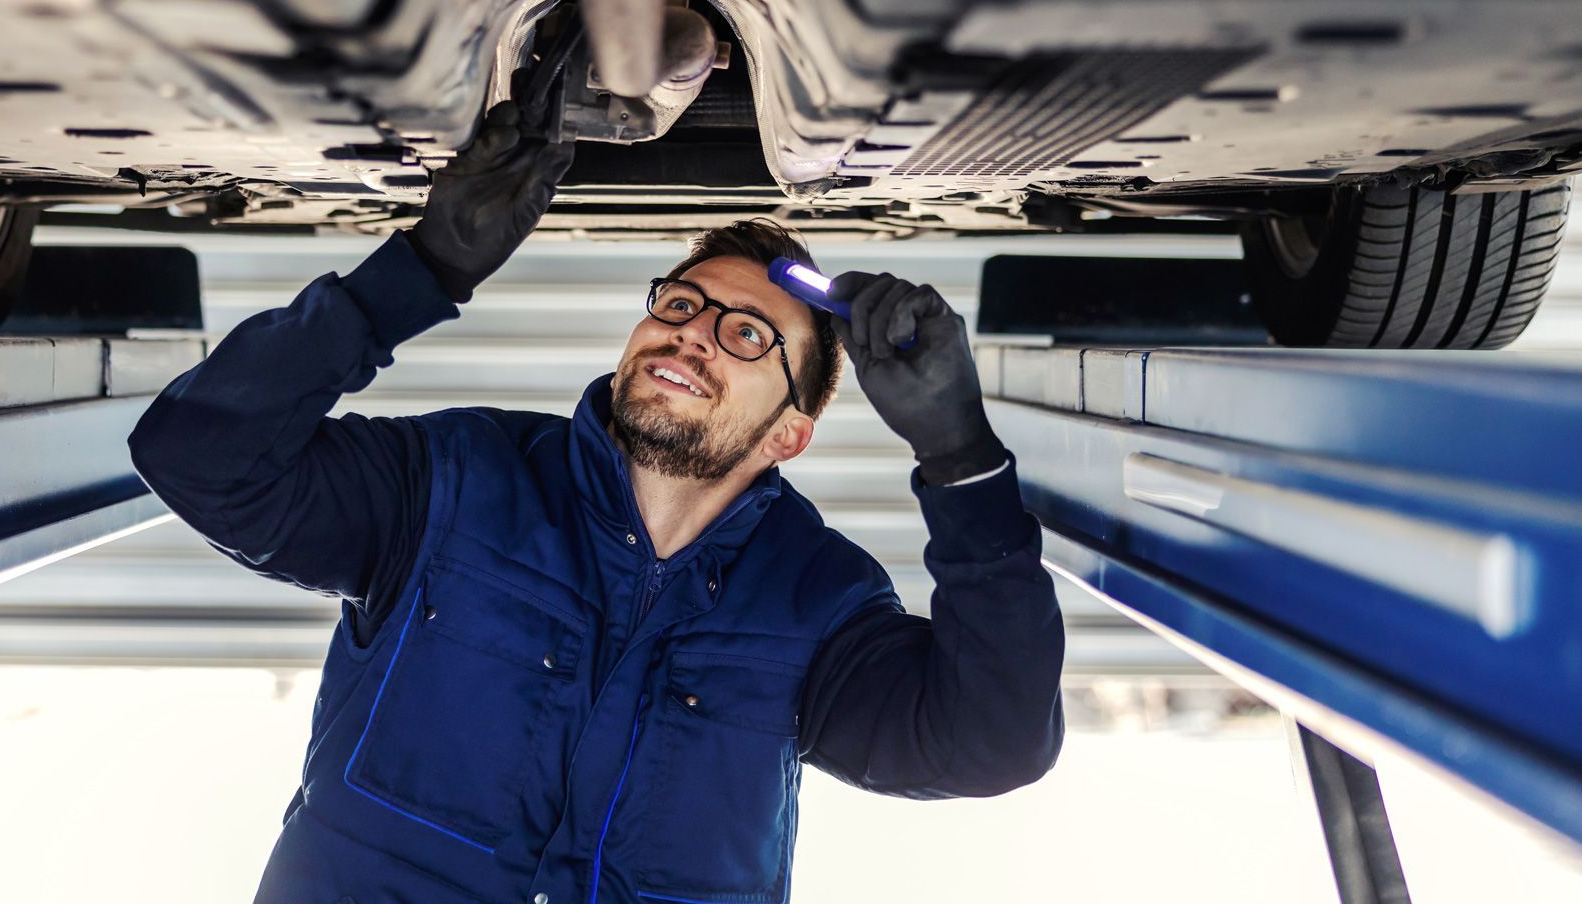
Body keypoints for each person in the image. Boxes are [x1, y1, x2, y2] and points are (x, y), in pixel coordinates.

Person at [128, 102, 1064, 904]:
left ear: (789, 433)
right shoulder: (454, 483)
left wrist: (960, 456)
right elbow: (202, 457)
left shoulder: (816, 606)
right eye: (679, 305)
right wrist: (418, 270)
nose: (693, 335)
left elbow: (993, 740)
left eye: (745, 335)